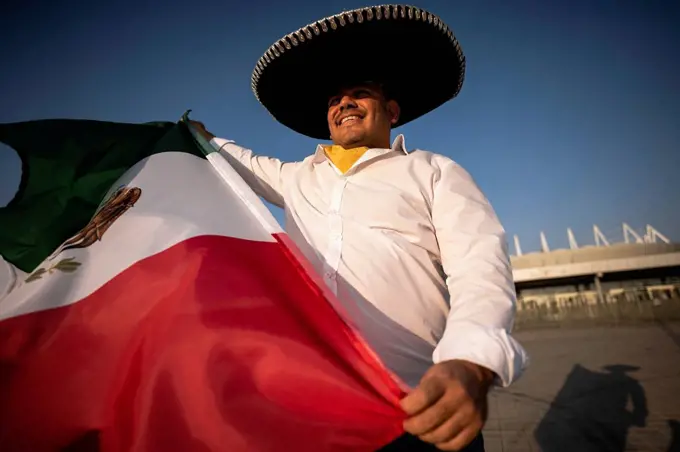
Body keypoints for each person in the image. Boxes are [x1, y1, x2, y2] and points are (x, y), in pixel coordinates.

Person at [190, 5, 528, 451]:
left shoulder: (433, 171)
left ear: (391, 111)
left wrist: (470, 359)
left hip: (419, 405)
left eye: (359, 93)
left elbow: (479, 265)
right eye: (334, 100)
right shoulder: (295, 178)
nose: (344, 103)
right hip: (320, 410)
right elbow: (234, 159)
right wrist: (194, 135)